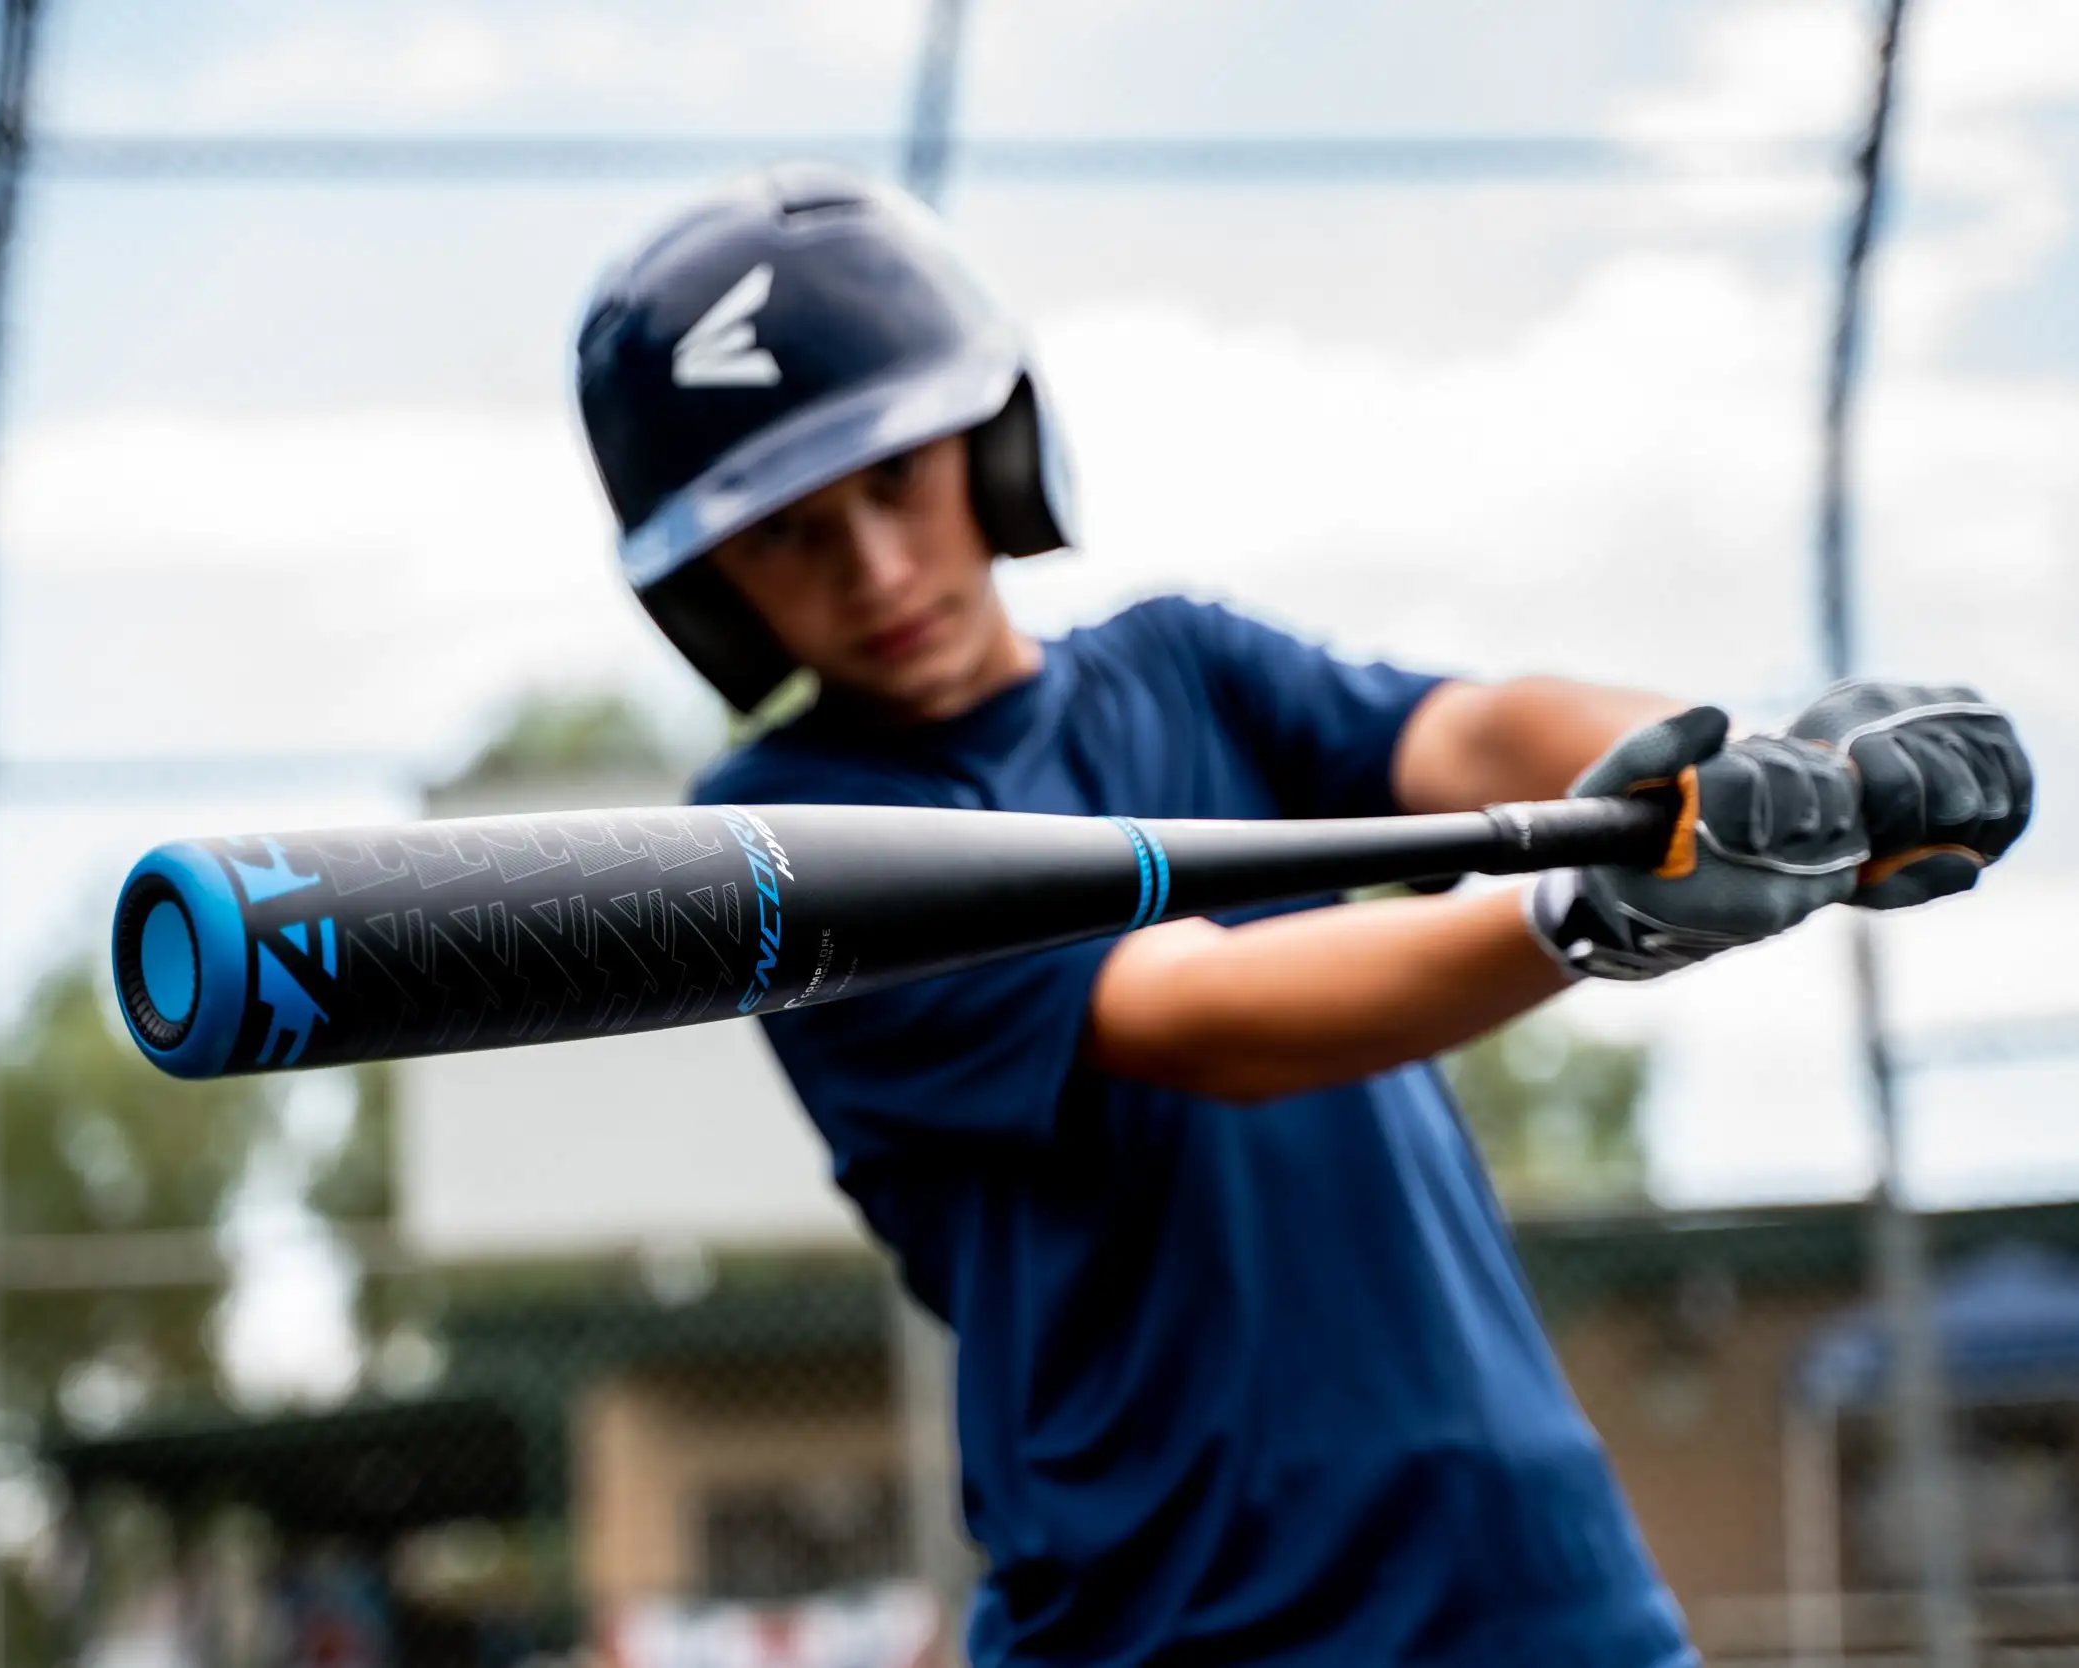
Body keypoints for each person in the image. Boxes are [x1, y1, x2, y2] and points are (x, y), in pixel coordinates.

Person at [570, 166, 2032, 1667]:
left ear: (989, 444)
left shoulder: (1187, 669)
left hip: (1533, 1581)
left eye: (894, 480)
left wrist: (1770, 775)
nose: (876, 567)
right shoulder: (786, 846)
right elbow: (1198, 1015)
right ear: (712, 591)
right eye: (792, 535)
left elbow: (1476, 737)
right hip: (1175, 1621)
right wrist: (1588, 914)